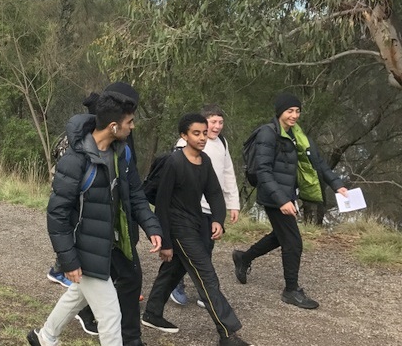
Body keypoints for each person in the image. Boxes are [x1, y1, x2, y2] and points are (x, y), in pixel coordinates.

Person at [27, 91, 162, 346]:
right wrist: (68, 259)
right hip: (84, 248)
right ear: (113, 126)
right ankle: (46, 336)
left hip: (107, 244)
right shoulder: (75, 160)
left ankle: (45, 337)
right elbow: (57, 214)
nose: (132, 127)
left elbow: (135, 195)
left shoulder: (120, 154)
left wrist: (152, 226)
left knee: (78, 295)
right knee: (111, 315)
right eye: (129, 122)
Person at [141, 113, 252, 346]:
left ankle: (152, 313)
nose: (202, 138)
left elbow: (213, 192)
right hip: (179, 227)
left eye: (204, 133)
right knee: (206, 275)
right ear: (184, 136)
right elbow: (161, 204)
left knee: (173, 270)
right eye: (196, 133)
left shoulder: (205, 161)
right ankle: (227, 333)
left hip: (197, 222)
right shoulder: (174, 162)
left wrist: (218, 219)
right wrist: (166, 243)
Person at [232, 93, 348, 310]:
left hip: (287, 194)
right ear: (280, 113)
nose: (294, 115)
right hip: (274, 196)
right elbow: (264, 171)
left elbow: (319, 163)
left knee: (280, 236)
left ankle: (243, 257)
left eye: (297, 111)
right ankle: (291, 290)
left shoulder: (298, 135)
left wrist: (337, 185)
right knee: (293, 243)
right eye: (289, 111)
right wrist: (282, 200)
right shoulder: (268, 134)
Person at [170, 104, 240, 308]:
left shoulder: (222, 143)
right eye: (212, 122)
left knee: (206, 248)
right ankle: (177, 284)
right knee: (189, 248)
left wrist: (233, 203)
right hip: (190, 207)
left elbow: (228, 174)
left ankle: (204, 291)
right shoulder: (185, 143)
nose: (217, 126)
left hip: (212, 207)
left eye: (220, 122)